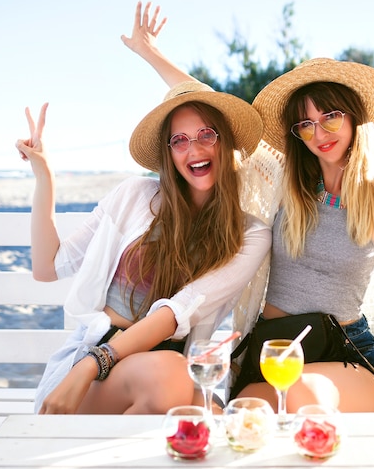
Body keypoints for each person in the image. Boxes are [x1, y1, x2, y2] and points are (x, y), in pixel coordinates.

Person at [124, 2, 374, 413]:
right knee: (247, 410)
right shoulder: (283, 179)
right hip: (273, 353)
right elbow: (211, 107)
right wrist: (152, 54)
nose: (318, 132)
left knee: (295, 398)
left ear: (354, 118)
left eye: (331, 116)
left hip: (347, 356)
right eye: (305, 123)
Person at [15, 44, 271, 414]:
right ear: (168, 154)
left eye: (206, 135)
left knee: (217, 412)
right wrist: (44, 175)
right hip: (92, 371)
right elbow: (47, 267)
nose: (193, 149)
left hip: (166, 372)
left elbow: (176, 312)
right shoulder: (136, 196)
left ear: (225, 140)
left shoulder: (249, 234)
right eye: (179, 141)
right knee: (171, 379)